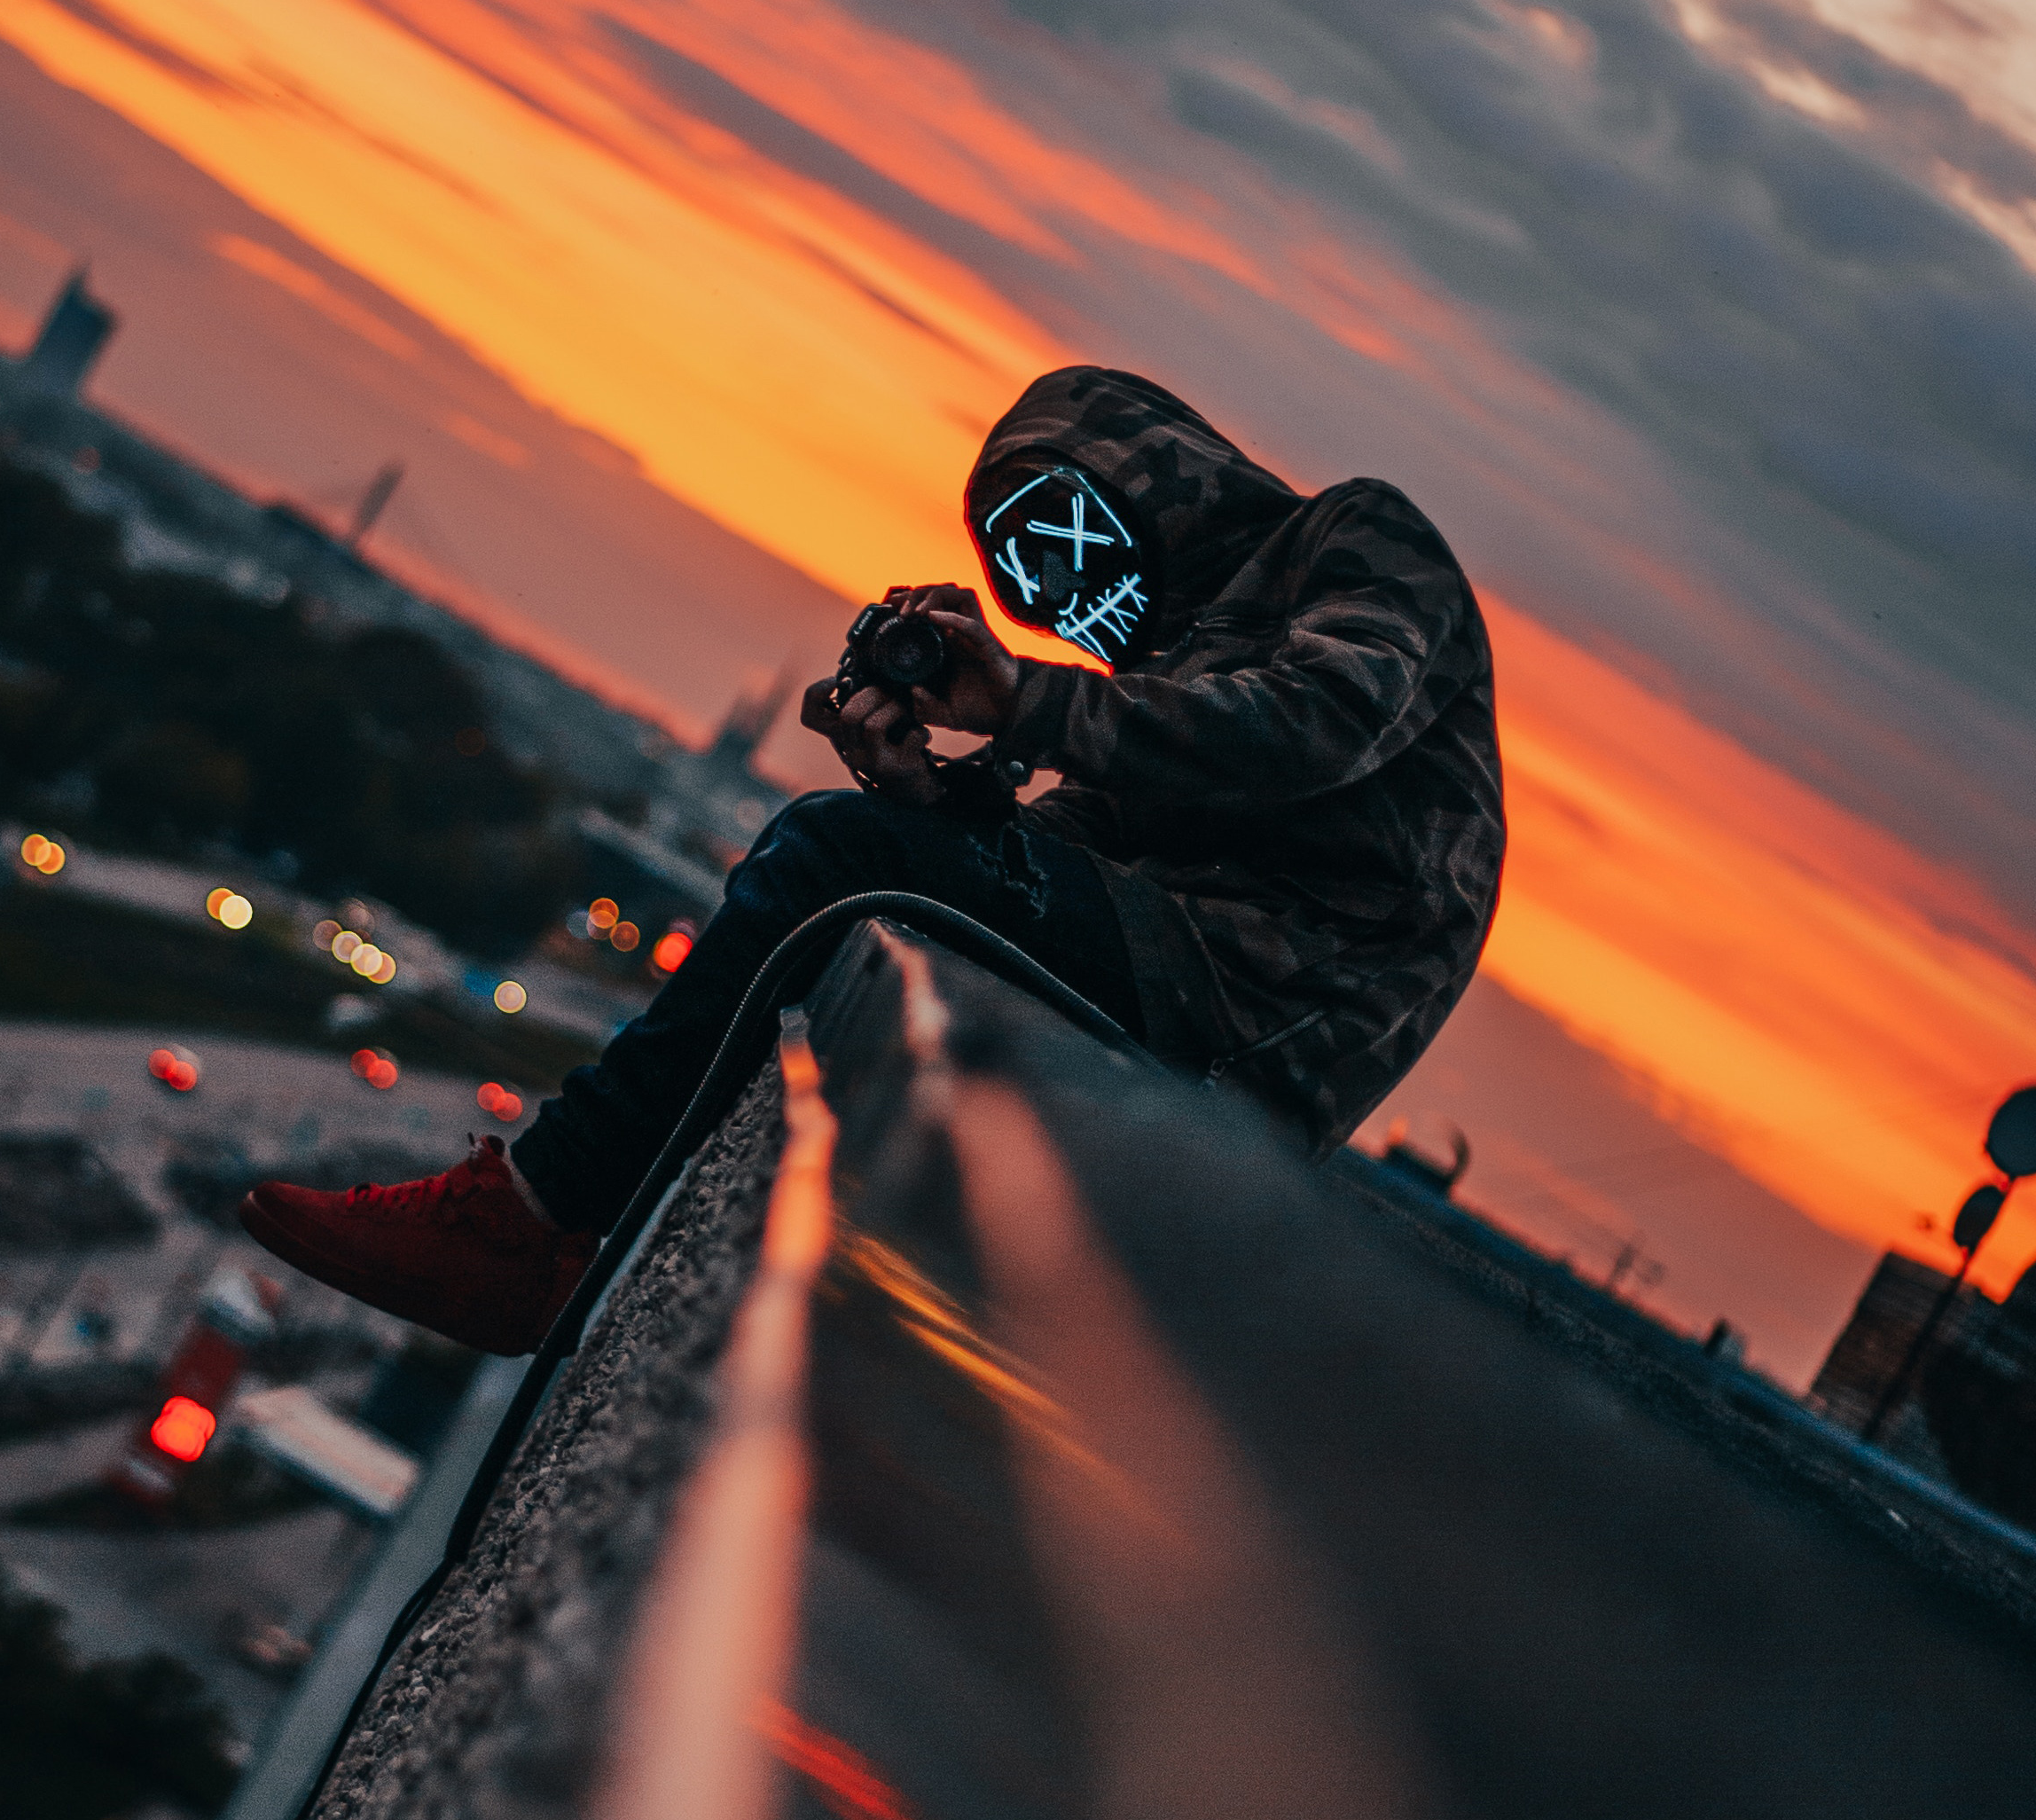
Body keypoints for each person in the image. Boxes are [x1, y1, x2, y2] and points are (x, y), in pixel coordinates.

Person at [239, 367, 1505, 1354]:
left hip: (1257, 1015)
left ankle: (533, 1218)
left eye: (1069, 544)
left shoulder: (1358, 541)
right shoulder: (1163, 679)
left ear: (1149, 483)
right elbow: (1069, 855)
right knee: (865, 850)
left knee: (835, 852)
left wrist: (1026, 707)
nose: (1064, 594)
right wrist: (929, 794)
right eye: (1032, 580)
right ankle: (569, 1226)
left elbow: (1313, 723)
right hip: (1189, 978)